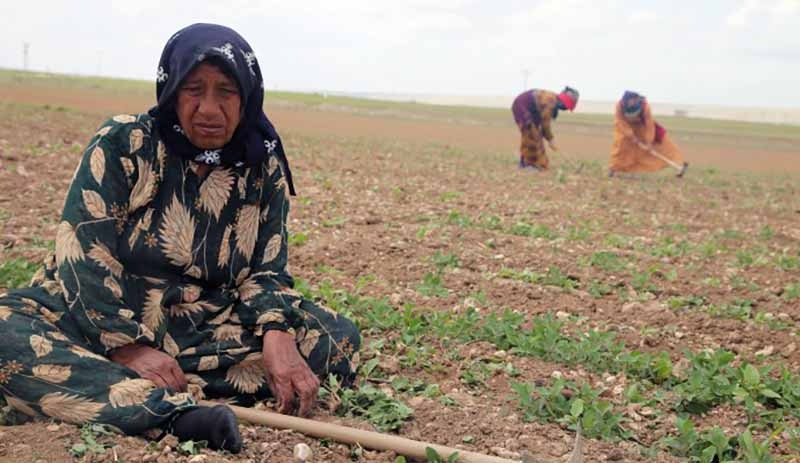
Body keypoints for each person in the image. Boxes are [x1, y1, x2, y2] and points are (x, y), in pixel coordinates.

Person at [0, 23, 360, 453]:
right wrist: (128, 347)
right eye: (194, 89)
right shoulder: (125, 144)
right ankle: (176, 415)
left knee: (335, 339)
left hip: (196, 328)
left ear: (247, 96)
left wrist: (277, 334)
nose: (209, 108)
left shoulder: (261, 170)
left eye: (226, 91)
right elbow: (82, 253)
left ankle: (108, 387)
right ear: (171, 89)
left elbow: (267, 271)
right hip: (90, 317)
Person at [609, 90, 688, 177]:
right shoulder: (619, 106)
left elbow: (649, 124)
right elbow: (620, 121)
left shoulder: (645, 106)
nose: (634, 102)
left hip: (642, 127)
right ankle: (613, 169)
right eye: (632, 100)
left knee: (663, 145)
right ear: (627, 100)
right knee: (621, 145)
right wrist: (631, 136)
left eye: (635, 100)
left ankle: (679, 164)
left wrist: (649, 142)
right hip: (625, 128)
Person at [511, 86, 579, 170]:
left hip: (530, 110)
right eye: (566, 108)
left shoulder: (553, 100)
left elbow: (543, 125)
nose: (565, 109)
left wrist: (549, 138)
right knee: (531, 135)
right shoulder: (550, 101)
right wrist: (550, 139)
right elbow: (545, 124)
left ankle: (527, 163)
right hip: (522, 107)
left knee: (535, 135)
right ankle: (528, 164)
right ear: (564, 103)